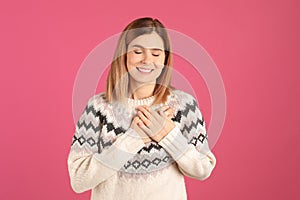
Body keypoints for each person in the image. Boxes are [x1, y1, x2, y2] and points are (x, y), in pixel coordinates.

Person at [67, 17, 216, 200]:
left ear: (165, 59)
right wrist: (134, 138)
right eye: (138, 51)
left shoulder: (184, 105)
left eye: (156, 54)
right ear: (124, 55)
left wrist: (167, 135)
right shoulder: (98, 108)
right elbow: (78, 179)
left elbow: (202, 169)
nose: (147, 60)